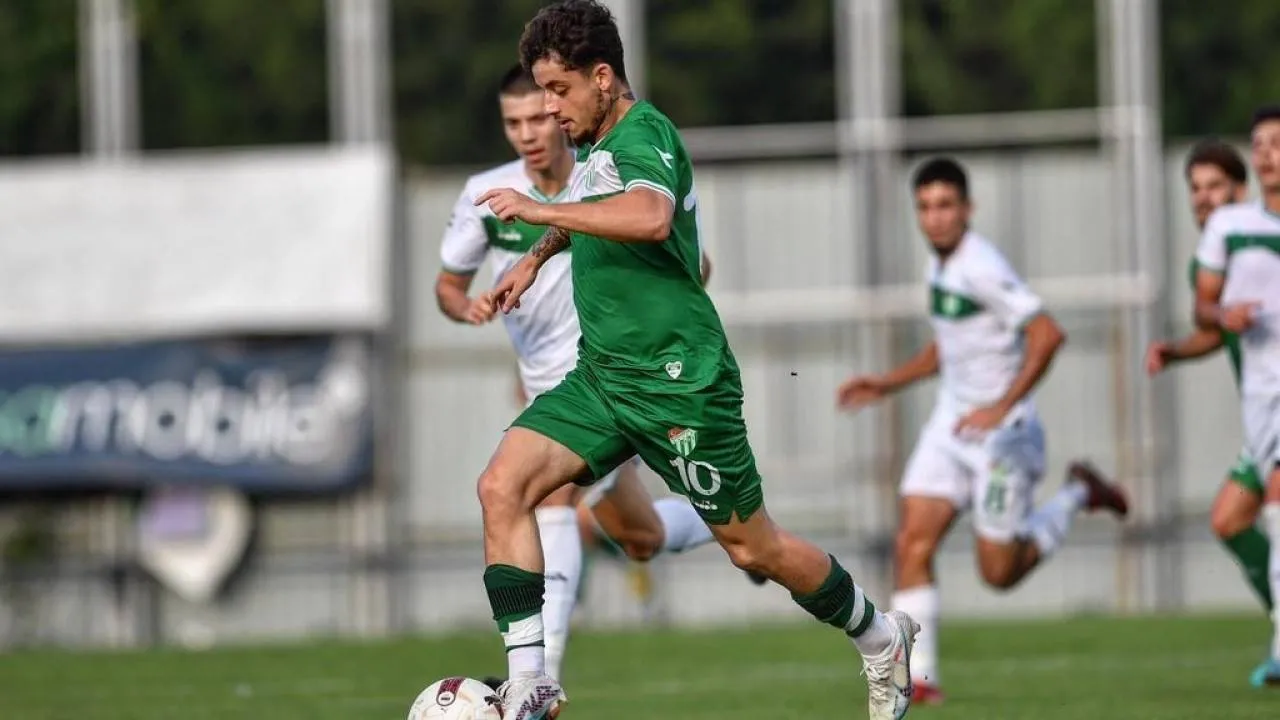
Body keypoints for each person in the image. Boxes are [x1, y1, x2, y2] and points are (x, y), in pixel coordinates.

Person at [471, 2, 919, 719]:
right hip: (604, 377)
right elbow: (598, 208)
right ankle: (529, 684)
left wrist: (539, 212)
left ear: (602, 77)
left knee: (755, 550)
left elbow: (649, 217)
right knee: (502, 486)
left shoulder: (645, 133)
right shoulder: (595, 143)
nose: (549, 108)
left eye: (558, 90)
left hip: (681, 385)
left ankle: (879, 636)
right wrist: (536, 258)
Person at [436, 63, 720, 685]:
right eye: (513, 123)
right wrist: (468, 308)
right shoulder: (486, 195)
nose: (528, 134)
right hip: (544, 384)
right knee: (641, 537)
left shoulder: (607, 173)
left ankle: (540, 683)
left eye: (538, 118)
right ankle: (729, 526)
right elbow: (448, 288)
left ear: (560, 110)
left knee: (543, 496)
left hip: (609, 377)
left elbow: (693, 260)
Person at [836, 157, 1129, 705]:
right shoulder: (940, 264)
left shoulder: (982, 265)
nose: (935, 217)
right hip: (952, 426)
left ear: (967, 209)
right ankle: (919, 680)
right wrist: (885, 383)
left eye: (945, 205)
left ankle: (1077, 492)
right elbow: (949, 347)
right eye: (925, 207)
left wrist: (999, 408)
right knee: (911, 540)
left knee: (999, 573)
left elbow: (1047, 334)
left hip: (1003, 438)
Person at [1142, 140, 1276, 659]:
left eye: (1214, 186)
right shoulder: (1211, 261)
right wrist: (1176, 351)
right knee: (1229, 519)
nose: (1202, 198)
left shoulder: (1260, 242)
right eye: (1194, 189)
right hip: (1263, 418)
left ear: (1242, 190)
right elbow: (1220, 329)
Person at [1192, 107, 1280, 687]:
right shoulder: (1229, 228)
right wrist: (1224, 313)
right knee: (1239, 518)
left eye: (1277, 142)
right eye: (1259, 143)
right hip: (1260, 402)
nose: (1267, 152)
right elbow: (1203, 310)